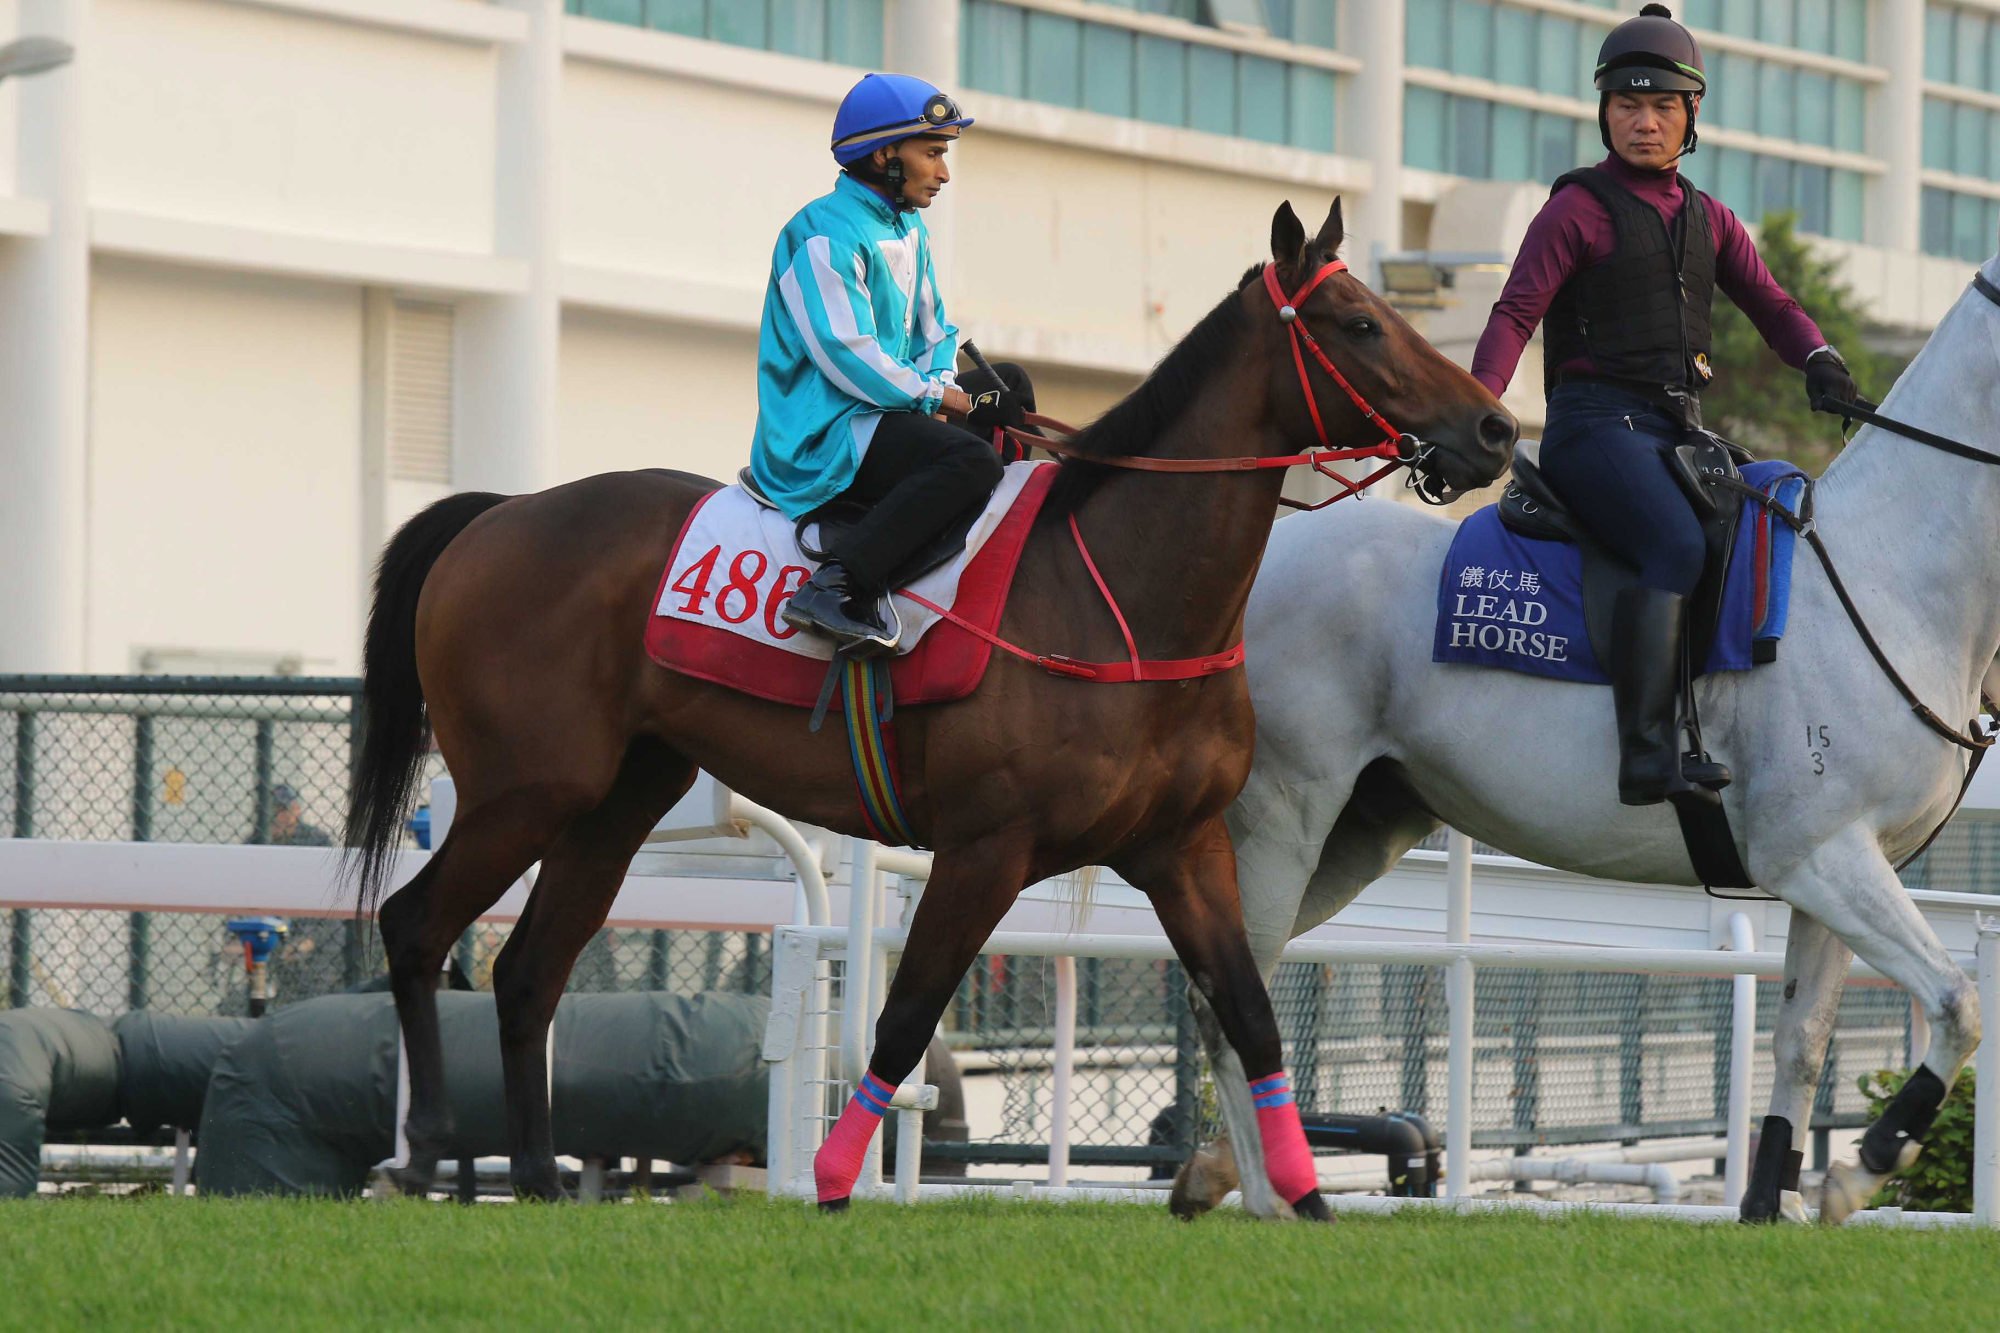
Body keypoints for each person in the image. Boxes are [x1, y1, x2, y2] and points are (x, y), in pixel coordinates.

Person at [1469, 3, 1862, 810]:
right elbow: (1514, 314)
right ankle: (1647, 752)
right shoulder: (1575, 209)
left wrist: (1819, 357)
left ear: (1690, 119)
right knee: (1676, 541)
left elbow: (1775, 305)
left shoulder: (1711, 219)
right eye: (1627, 105)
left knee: (1773, 515)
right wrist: (1481, 402)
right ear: (1604, 112)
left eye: (1662, 108)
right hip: (1590, 428)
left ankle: (1725, 720)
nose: (1643, 123)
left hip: (1675, 430)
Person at [752, 72, 1027, 654]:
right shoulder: (821, 233)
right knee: (970, 462)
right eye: (932, 153)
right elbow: (848, 356)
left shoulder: (908, 228)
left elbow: (935, 331)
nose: (944, 172)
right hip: (825, 433)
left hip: (885, 409)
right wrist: (939, 401)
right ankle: (837, 585)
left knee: (1015, 389)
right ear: (885, 156)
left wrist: (946, 386)